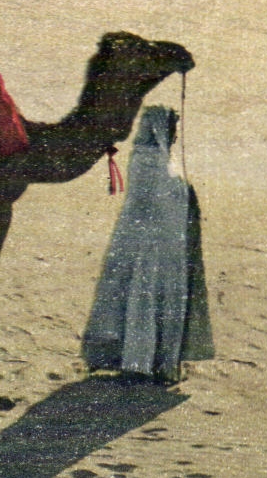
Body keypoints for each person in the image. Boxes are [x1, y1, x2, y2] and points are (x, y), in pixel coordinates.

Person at [82, 106, 213, 381]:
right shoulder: (155, 161)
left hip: (144, 245)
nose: (175, 135)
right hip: (157, 248)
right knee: (150, 298)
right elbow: (169, 196)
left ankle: (137, 360)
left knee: (137, 298)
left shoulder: (145, 157)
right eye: (172, 129)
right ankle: (146, 363)